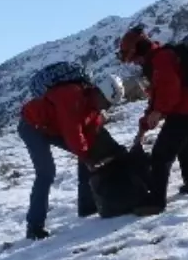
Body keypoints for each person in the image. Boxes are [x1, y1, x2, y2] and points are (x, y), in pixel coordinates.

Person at [117, 25, 188, 214]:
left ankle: (155, 201)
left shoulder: (161, 59)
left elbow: (169, 93)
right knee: (181, 142)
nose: (135, 63)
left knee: (161, 154)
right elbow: (156, 99)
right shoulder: (159, 59)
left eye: (134, 58)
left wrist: (158, 112)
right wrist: (143, 127)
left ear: (140, 48)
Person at [18, 71, 125, 240]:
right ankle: (34, 227)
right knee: (46, 173)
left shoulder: (93, 109)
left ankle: (87, 206)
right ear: (98, 91)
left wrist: (92, 156)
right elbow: (72, 132)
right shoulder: (70, 95)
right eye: (105, 102)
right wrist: (86, 157)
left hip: (52, 126)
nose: (105, 108)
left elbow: (90, 137)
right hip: (32, 126)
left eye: (108, 106)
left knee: (88, 153)